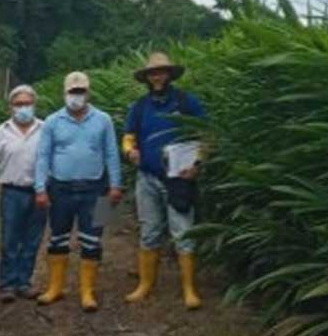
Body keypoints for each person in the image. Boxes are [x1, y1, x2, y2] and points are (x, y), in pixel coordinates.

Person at [121, 52, 206, 309]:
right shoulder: (140, 106)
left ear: (169, 74)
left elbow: (205, 134)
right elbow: (128, 135)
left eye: (161, 72)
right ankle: (145, 285)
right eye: (152, 73)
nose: (157, 76)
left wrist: (198, 163)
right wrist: (129, 151)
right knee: (149, 232)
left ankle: (189, 289)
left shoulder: (186, 102)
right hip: (147, 177)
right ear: (146, 77)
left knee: (183, 233)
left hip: (178, 178)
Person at [34, 71, 123, 312]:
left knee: (93, 240)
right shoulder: (52, 121)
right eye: (72, 92)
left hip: (98, 188)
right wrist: (40, 188)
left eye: (81, 91)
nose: (77, 96)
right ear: (64, 94)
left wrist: (116, 185)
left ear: (88, 92)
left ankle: (87, 292)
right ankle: (55, 288)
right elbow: (43, 156)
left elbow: (112, 154)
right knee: (57, 237)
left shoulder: (103, 119)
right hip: (59, 188)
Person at [0, 84, 46, 302]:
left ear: (34, 104)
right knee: (10, 239)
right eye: (19, 104)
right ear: (11, 106)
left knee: (32, 239)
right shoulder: (0, 132)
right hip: (12, 191)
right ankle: (7, 284)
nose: (23, 107)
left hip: (38, 191)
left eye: (27, 103)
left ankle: (24, 282)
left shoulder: (45, 129)